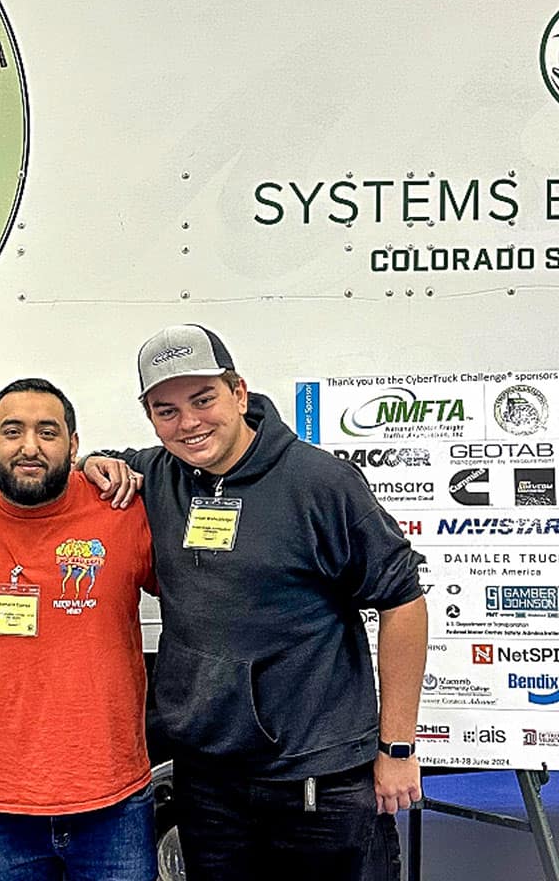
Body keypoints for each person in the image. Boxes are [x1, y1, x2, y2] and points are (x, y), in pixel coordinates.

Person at [83, 324, 427, 881]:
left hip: (318, 781)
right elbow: (96, 462)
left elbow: (404, 602)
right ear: (149, 417)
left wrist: (397, 745)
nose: (189, 423)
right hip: (208, 781)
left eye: (203, 399)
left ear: (239, 392)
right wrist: (94, 461)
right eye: (166, 410)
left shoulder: (321, 482)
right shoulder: (158, 475)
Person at [0, 378, 158, 881]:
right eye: (13, 431)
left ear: (74, 446)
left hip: (112, 804)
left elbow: (211, 595)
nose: (30, 446)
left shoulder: (122, 509)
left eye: (47, 432)